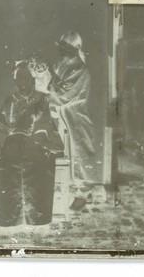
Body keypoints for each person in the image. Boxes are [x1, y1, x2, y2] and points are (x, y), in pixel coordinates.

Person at [0, 61, 64, 226]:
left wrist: (39, 138)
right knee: (2, 166)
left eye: (25, 77)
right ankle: (7, 217)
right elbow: (2, 124)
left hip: (37, 139)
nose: (22, 80)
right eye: (18, 77)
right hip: (13, 141)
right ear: (14, 80)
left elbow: (46, 122)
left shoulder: (42, 99)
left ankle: (36, 217)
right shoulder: (9, 100)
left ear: (33, 78)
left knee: (37, 165)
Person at [49, 31, 99, 210]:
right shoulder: (61, 63)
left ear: (77, 48)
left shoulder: (80, 68)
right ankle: (72, 189)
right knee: (64, 152)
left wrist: (48, 90)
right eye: (61, 46)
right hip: (61, 115)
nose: (62, 50)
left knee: (80, 152)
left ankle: (83, 193)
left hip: (76, 116)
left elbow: (63, 94)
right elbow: (52, 84)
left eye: (67, 47)